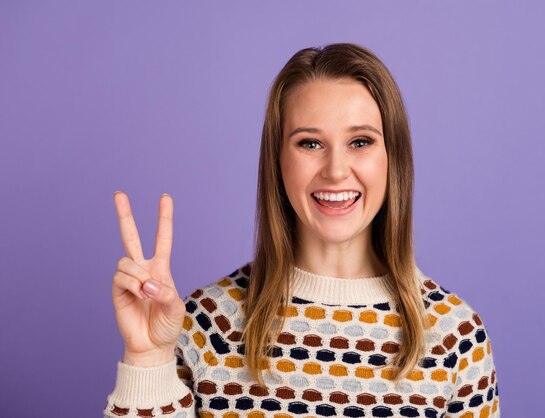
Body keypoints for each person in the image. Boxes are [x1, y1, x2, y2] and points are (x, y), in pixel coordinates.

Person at [105, 43, 500, 418]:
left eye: (360, 141)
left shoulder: (455, 336)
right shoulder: (209, 324)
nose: (336, 170)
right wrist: (147, 359)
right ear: (277, 161)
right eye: (310, 144)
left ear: (392, 158)